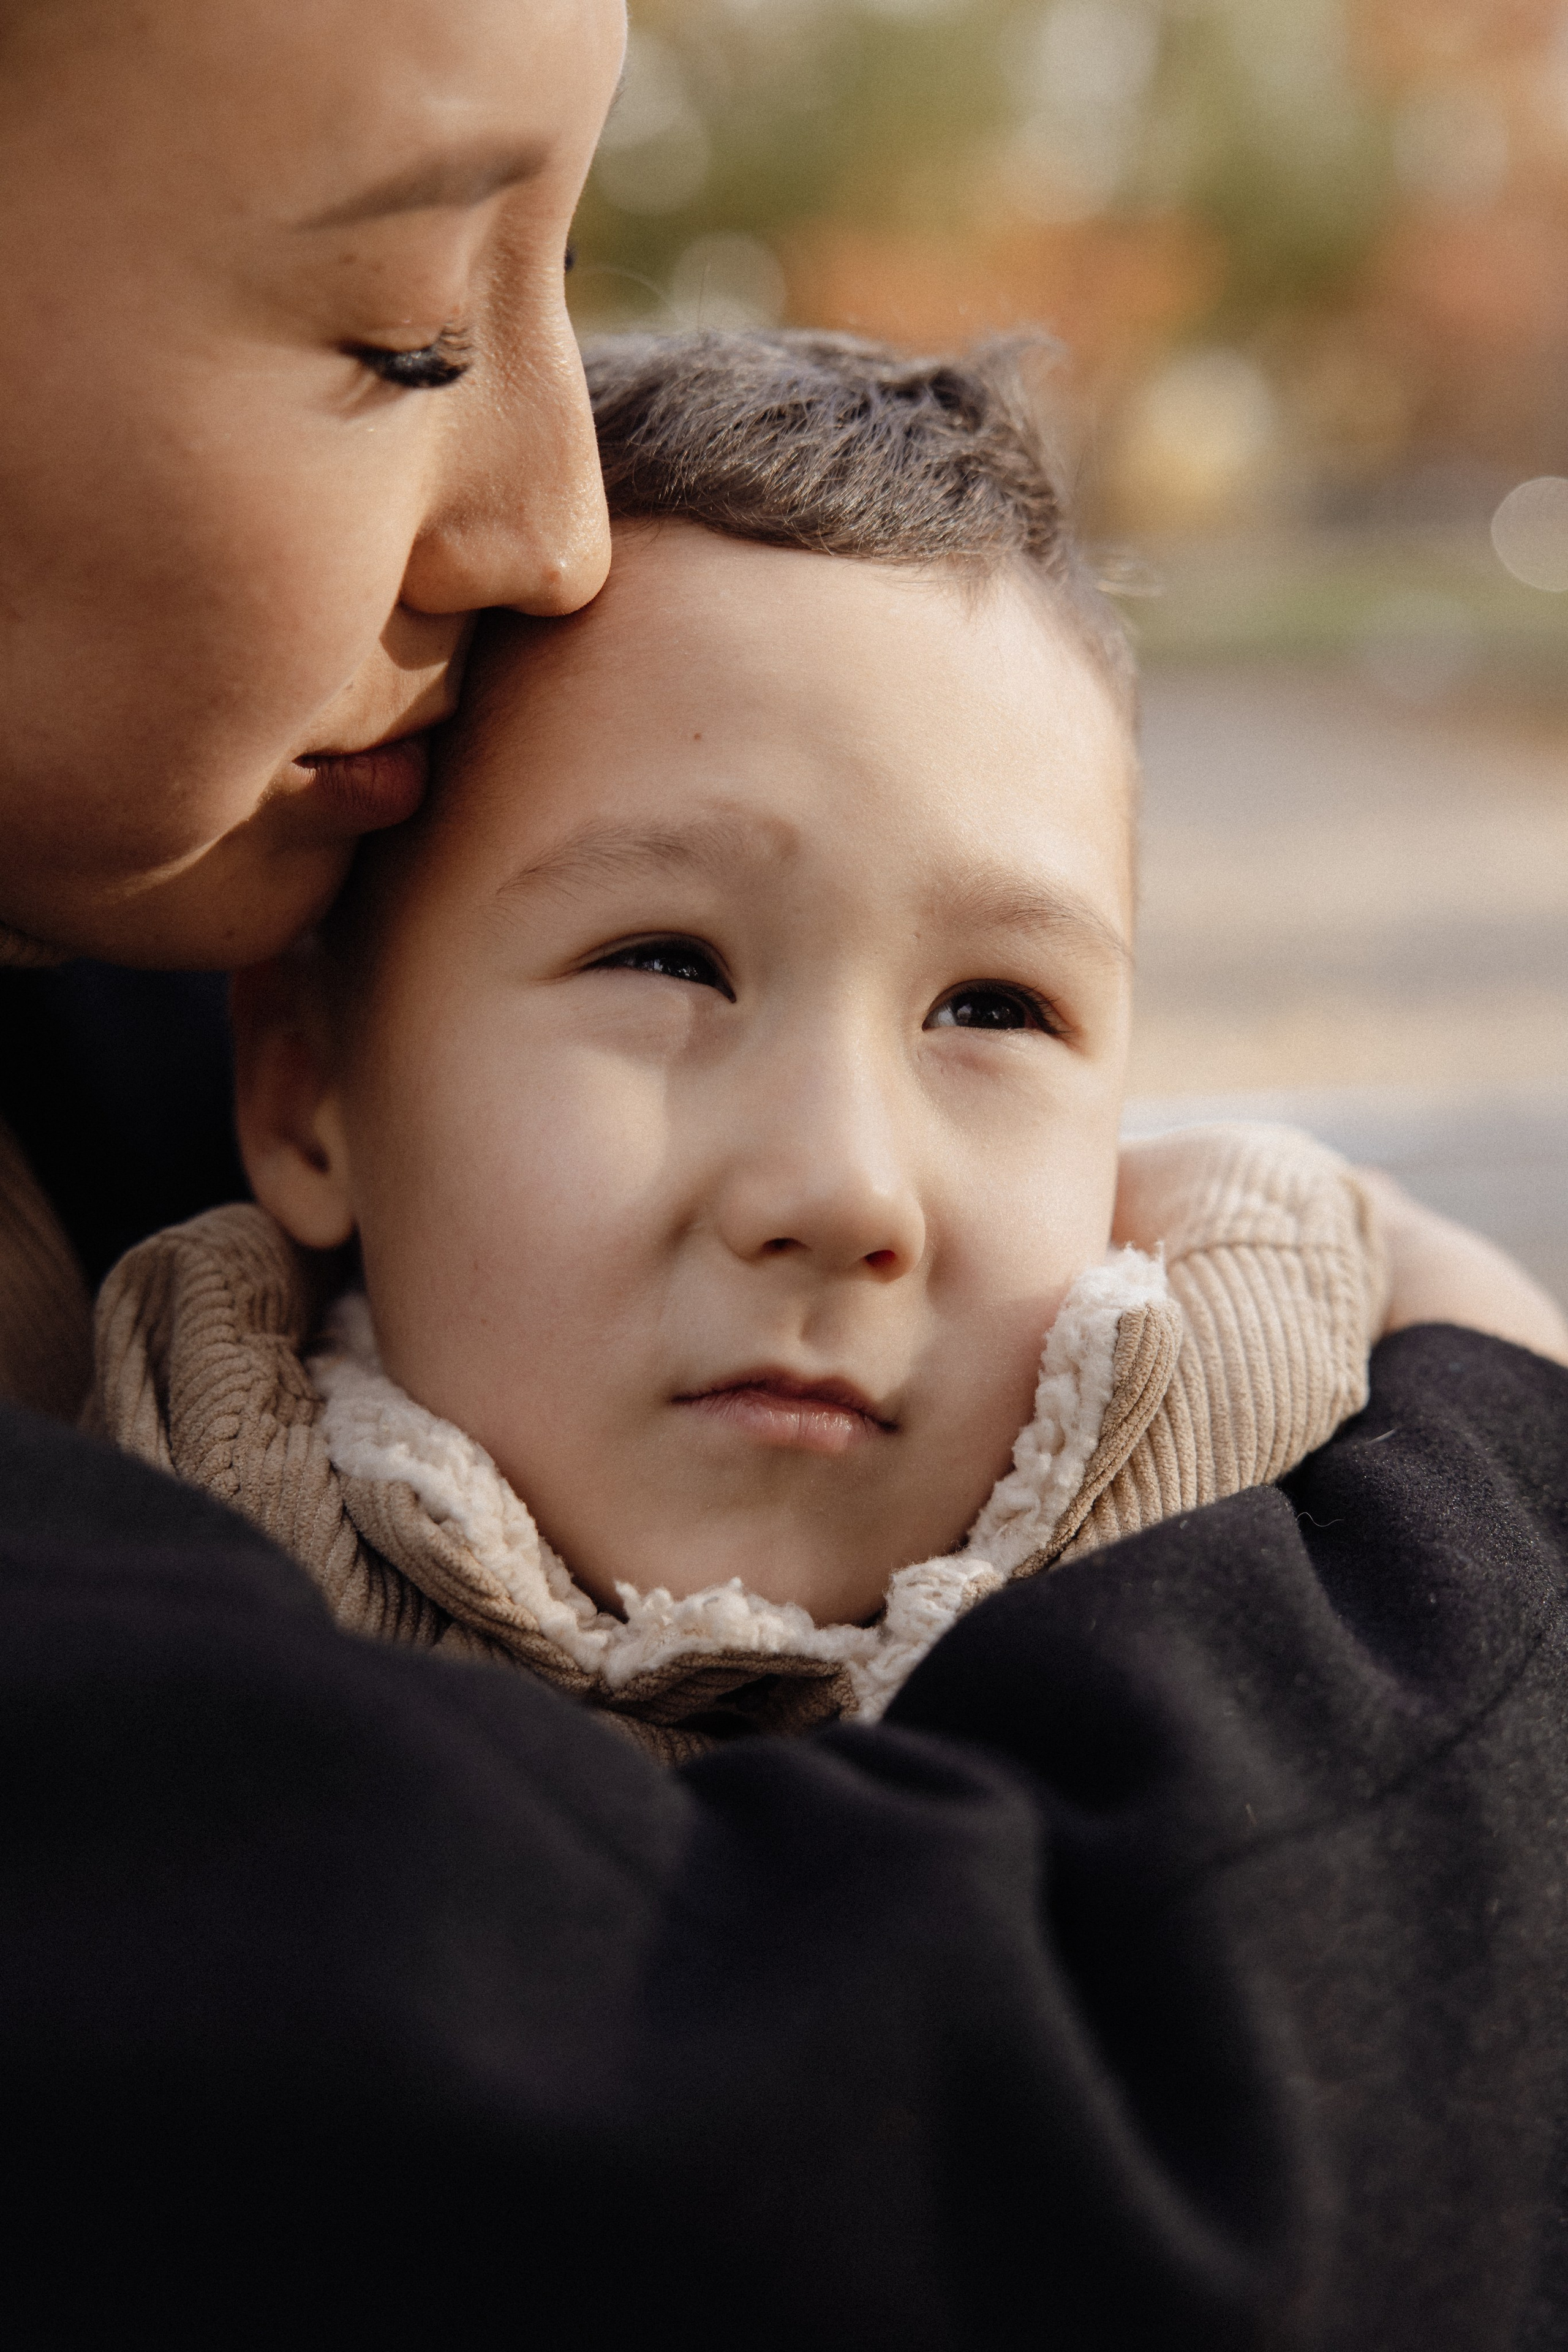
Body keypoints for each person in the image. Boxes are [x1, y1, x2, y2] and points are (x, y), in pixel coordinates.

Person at [5, 8, 1568, 2345]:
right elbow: (790, 2157)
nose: (552, 528)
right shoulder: (208, 1390)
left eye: (999, 1013)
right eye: (409, 330)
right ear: (302, 1096)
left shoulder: (1218, 1413)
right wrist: (1515, 1473)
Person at [90, 330, 1567, 1768]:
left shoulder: (1263, 1458)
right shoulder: (152, 1559)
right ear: (307, 1093)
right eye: (667, 963)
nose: (844, 1188)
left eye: (993, 1008)